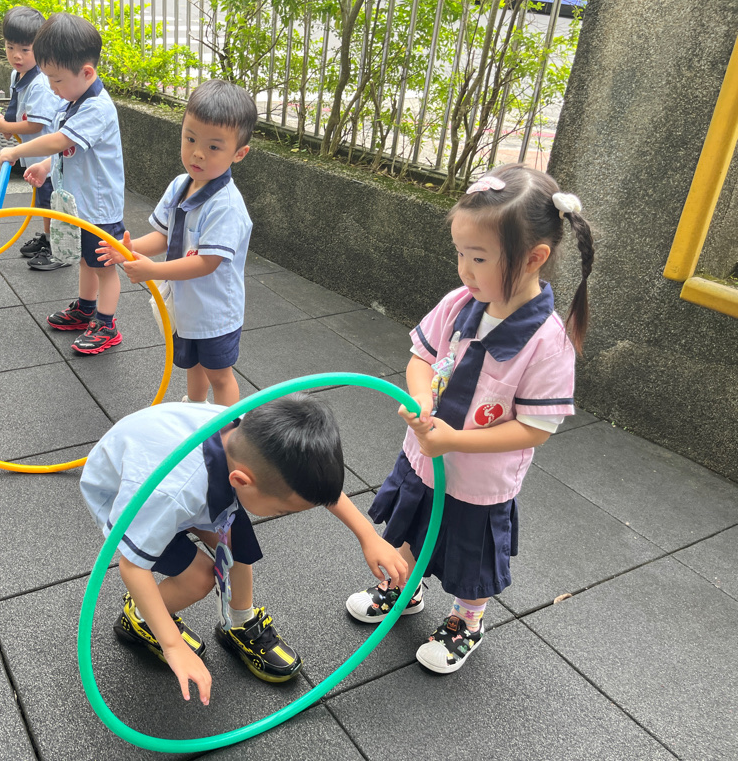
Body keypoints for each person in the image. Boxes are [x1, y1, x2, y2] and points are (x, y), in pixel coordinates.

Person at [344, 163, 595, 675]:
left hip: (479, 482)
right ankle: (404, 586)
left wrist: (455, 440)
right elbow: (421, 356)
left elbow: (535, 429)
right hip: (423, 457)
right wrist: (421, 397)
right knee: (409, 523)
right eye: (460, 253)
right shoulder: (462, 302)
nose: (464, 269)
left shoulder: (547, 343)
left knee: (469, 555)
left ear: (534, 258)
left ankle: (467, 621)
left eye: (478, 258)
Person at [80, 393, 408, 705]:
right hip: (130, 496)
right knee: (199, 578)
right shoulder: (170, 494)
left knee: (237, 547)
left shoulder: (255, 432)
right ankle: (139, 619)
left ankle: (239, 621)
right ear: (241, 481)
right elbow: (132, 567)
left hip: (182, 474)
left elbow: (315, 485)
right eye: (282, 510)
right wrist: (172, 645)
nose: (282, 516)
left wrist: (368, 536)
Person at [97, 79, 256, 406]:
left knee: (219, 375)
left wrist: (153, 271)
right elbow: (165, 235)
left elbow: (207, 262)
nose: (198, 153)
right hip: (186, 306)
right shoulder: (180, 185)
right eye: (190, 138)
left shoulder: (225, 206)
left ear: (239, 154)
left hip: (214, 312)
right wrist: (129, 249)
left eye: (214, 147)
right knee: (193, 364)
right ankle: (195, 410)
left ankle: (227, 427)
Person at [0, 13, 126, 355]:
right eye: (48, 79)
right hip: (77, 204)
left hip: (98, 208)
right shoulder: (72, 101)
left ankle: (106, 324)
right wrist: (44, 166)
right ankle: (86, 308)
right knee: (85, 261)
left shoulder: (97, 108)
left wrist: (17, 151)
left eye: (56, 80)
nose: (52, 88)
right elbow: (65, 151)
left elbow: (59, 141)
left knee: (104, 268)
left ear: (87, 73)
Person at [0, 6, 65, 263]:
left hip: (49, 156)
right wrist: (10, 127)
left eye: (25, 49)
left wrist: (7, 127)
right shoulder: (18, 74)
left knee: (51, 202)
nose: (16, 55)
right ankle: (48, 238)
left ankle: (57, 247)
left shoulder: (41, 82)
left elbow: (35, 124)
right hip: (35, 154)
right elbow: (18, 109)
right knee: (43, 200)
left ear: (40, 49)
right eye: (10, 47)